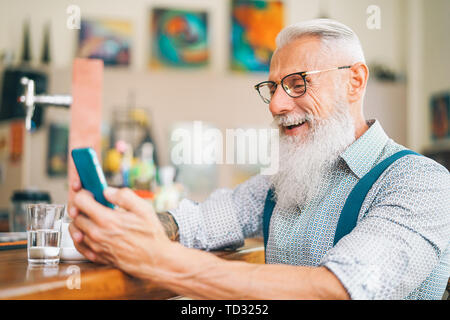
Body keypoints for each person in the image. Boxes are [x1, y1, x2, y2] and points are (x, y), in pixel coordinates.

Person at [68, 19, 450, 300]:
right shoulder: (284, 180)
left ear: (354, 81)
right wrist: (122, 222)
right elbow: (201, 220)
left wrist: (159, 260)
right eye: (272, 87)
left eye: (298, 82)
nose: (278, 104)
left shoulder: (421, 182)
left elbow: (336, 290)